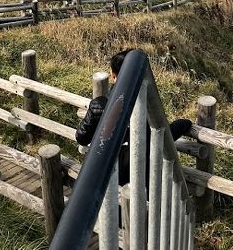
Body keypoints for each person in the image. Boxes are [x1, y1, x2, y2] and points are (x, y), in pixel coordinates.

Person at [76, 49, 192, 186]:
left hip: (104, 176)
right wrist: (183, 125)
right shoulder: (148, 110)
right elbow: (161, 137)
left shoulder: (99, 105)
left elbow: (82, 138)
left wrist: (94, 113)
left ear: (113, 75)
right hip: (139, 181)